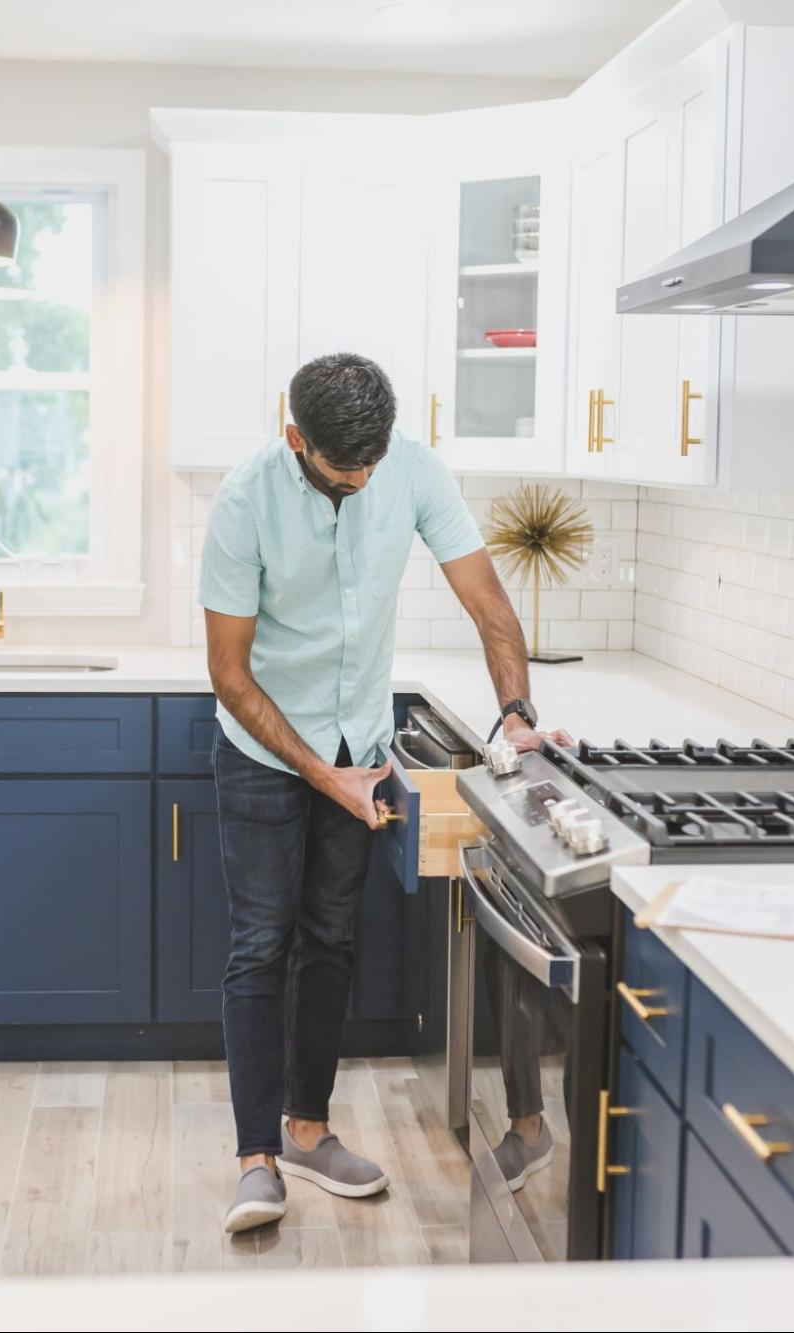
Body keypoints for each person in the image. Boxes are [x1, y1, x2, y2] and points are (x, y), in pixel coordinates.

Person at [199, 351, 570, 1233]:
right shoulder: (243, 501)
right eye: (341, 471)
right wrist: (320, 774)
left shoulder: (410, 468)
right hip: (263, 745)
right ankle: (255, 1161)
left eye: (371, 466)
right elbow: (228, 673)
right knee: (260, 943)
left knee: (329, 939)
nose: (362, 482)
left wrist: (516, 711)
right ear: (296, 439)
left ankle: (309, 1131)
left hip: (357, 739)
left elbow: (487, 605)